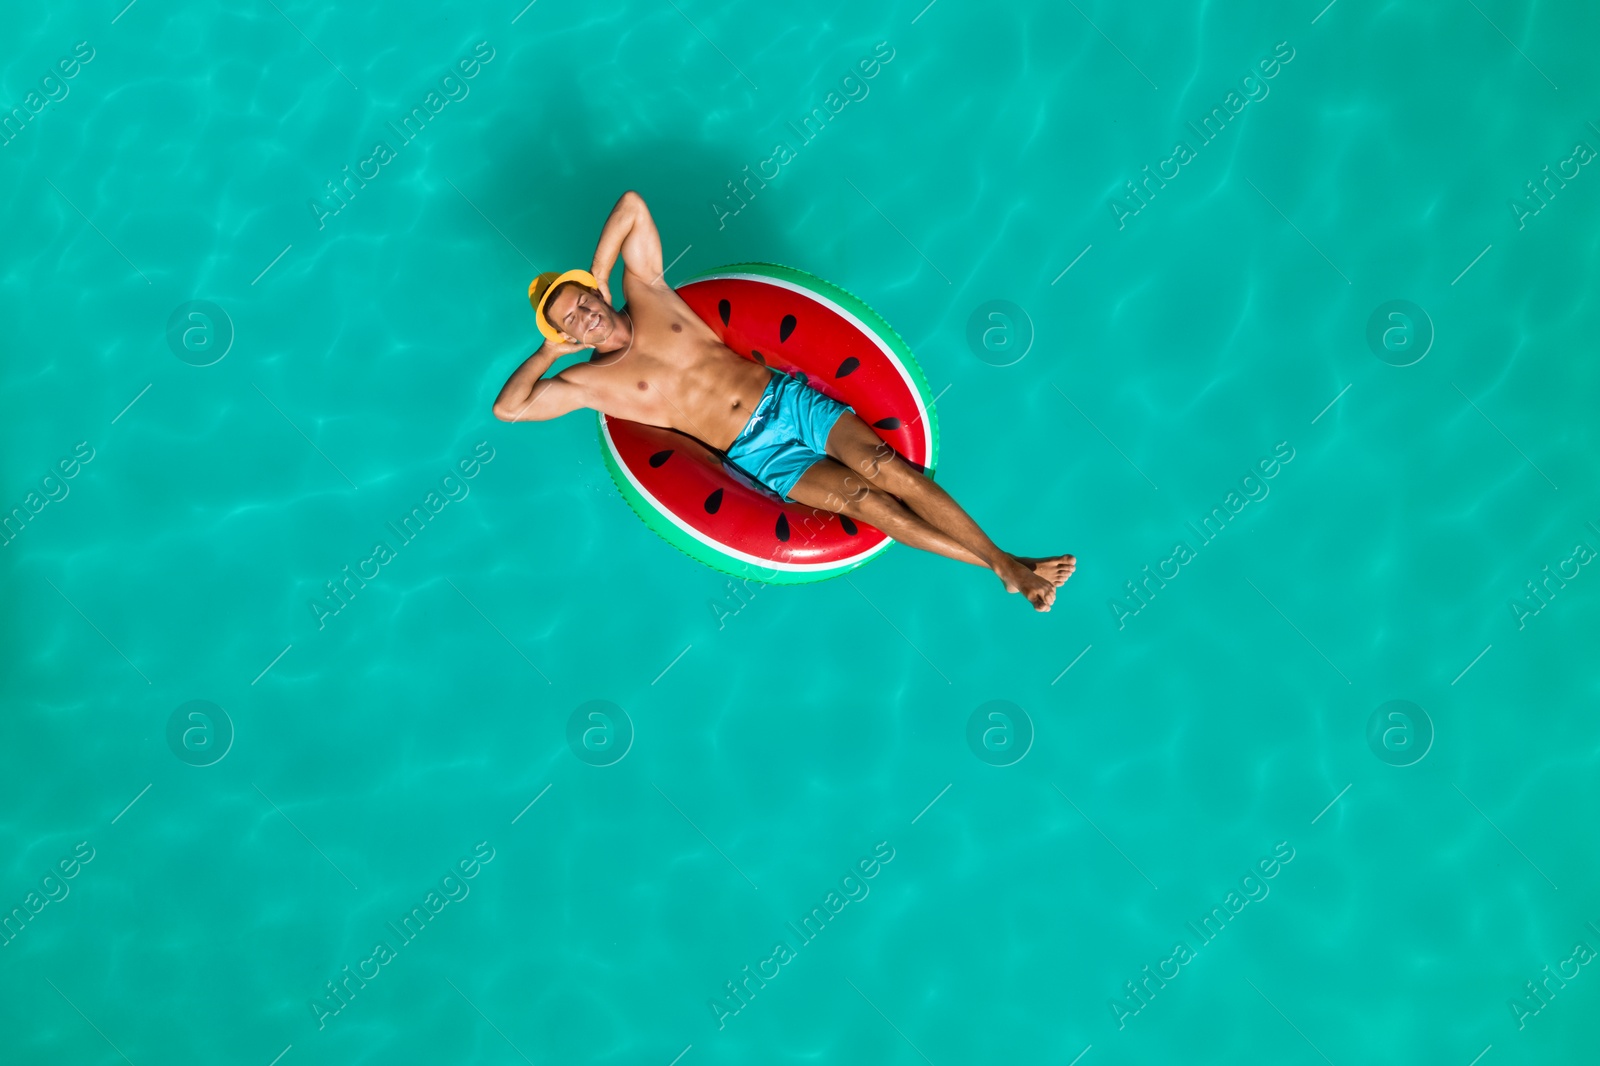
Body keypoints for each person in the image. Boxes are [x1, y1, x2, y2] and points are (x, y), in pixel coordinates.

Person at [492, 191, 1075, 611]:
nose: (586, 316)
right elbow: (509, 409)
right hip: (757, 454)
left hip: (785, 400)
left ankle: (1005, 564)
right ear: (567, 334)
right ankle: (1005, 564)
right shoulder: (591, 385)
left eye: (583, 302)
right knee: (865, 501)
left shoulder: (647, 295)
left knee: (884, 467)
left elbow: (632, 204)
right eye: (570, 320)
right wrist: (548, 351)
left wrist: (595, 273)